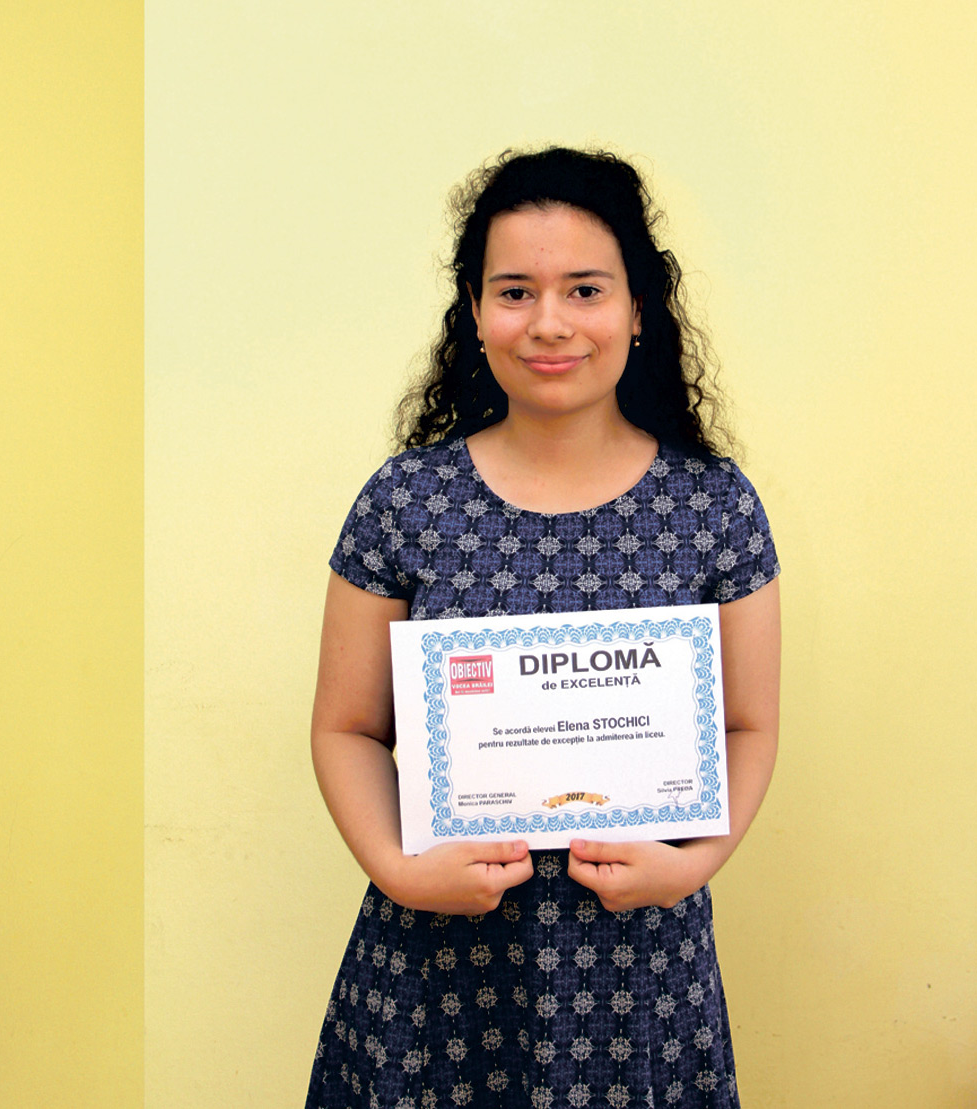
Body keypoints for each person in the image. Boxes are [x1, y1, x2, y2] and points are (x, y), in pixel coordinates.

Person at [305, 148, 780, 1108]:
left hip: (640, 965)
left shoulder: (713, 504)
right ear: (474, 310)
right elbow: (345, 727)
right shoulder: (405, 501)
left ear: (638, 308)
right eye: (514, 291)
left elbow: (747, 725)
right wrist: (398, 870)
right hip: (437, 963)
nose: (549, 322)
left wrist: (692, 864)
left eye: (585, 290)